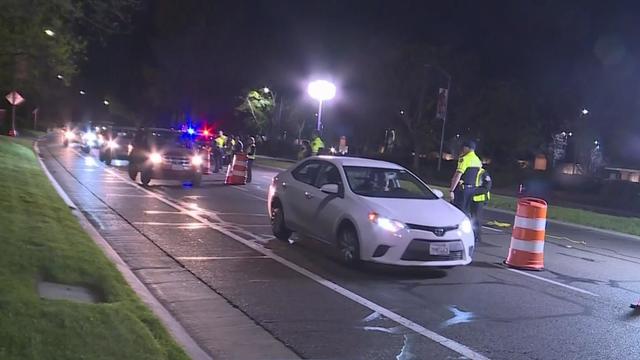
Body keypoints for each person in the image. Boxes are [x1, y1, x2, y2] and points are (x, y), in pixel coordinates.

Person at [449, 139, 482, 216]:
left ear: (467, 148)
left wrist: (451, 190)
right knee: (466, 211)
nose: (462, 149)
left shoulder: (464, 159)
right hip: (472, 189)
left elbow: (458, 175)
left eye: (463, 147)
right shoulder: (477, 160)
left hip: (462, 190)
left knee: (457, 211)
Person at [470, 167, 492, 243]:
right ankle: (471, 235)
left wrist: (473, 191)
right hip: (471, 198)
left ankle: (477, 237)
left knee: (476, 219)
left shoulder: (483, 173)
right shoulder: (471, 171)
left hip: (479, 199)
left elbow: (487, 187)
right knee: (471, 218)